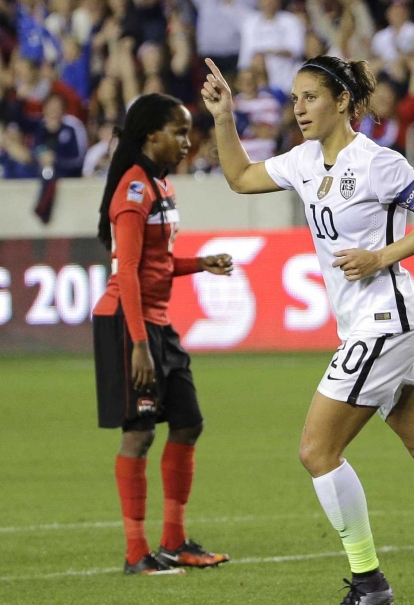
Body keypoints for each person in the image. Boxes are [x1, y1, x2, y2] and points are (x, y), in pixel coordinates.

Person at [201, 54, 414, 605]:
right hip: (368, 323)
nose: (300, 108)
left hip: (387, 318)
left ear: (342, 101)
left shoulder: (377, 163)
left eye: (309, 97)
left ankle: (369, 584)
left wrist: (381, 255)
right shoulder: (303, 161)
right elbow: (241, 177)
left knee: (317, 449)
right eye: (294, 99)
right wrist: (223, 117)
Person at [92, 93, 232, 575]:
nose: (187, 142)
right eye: (178, 132)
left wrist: (199, 264)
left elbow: (156, 263)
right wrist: (138, 345)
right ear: (151, 135)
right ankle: (137, 552)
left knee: (189, 422)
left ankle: (174, 542)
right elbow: (126, 271)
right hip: (128, 325)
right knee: (139, 436)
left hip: (157, 324)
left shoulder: (160, 187)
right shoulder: (133, 191)